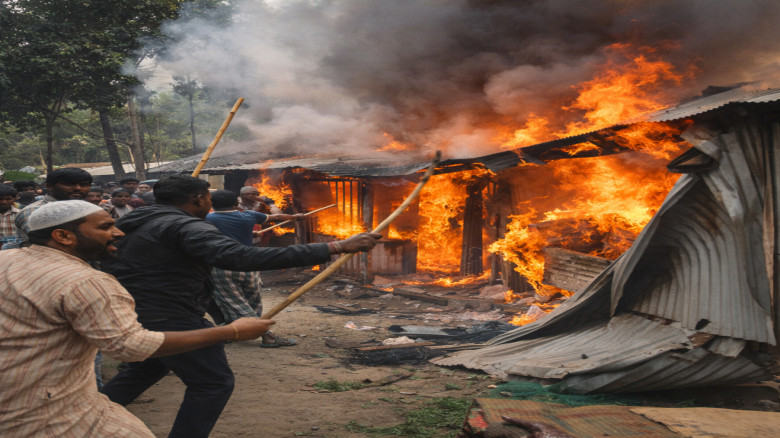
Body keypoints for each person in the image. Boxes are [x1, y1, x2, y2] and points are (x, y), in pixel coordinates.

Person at [99, 175, 380, 437]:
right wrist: (335, 247)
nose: (209, 203)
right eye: (207, 198)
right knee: (213, 382)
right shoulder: (185, 225)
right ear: (198, 199)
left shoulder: (133, 220)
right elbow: (239, 257)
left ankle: (87, 417)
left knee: (148, 368)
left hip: (131, 306)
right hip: (169, 312)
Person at [0, 200, 275, 438]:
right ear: (63, 236)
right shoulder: (86, 282)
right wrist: (232, 331)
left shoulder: (7, 259)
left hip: (42, 391)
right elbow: (130, 347)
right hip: (42, 407)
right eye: (105, 227)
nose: (118, 233)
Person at [207, 189, 304, 347]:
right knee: (254, 300)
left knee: (234, 302)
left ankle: (255, 333)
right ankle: (260, 334)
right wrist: (291, 214)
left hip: (222, 267)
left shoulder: (204, 219)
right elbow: (279, 216)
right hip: (249, 264)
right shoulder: (248, 216)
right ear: (236, 204)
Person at [3, 167, 92, 250]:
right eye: (69, 184)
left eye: (84, 184)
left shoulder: (90, 209)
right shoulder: (35, 212)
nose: (77, 188)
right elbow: (49, 247)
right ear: (49, 186)